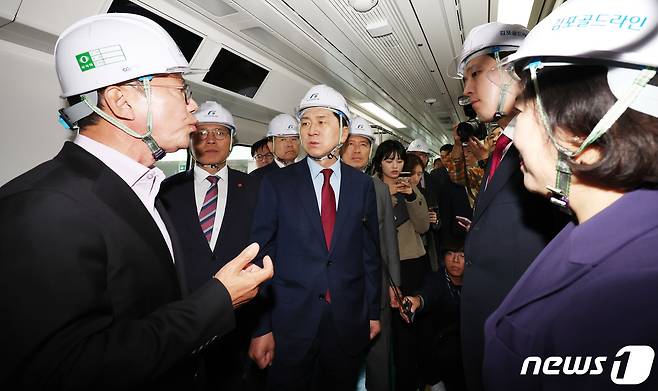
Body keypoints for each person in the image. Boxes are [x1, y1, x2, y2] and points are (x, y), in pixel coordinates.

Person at [0, 13, 273, 390]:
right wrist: (218, 301)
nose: (193, 106)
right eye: (181, 91)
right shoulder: (43, 208)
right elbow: (64, 370)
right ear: (122, 101)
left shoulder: (143, 191)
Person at [482, 0, 658, 389]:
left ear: (582, 137)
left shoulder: (627, 300)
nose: (513, 132)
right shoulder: (609, 233)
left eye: (523, 112)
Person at [452, 21, 569, 391]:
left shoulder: (557, 140)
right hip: (489, 325)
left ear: (514, 66)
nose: (467, 90)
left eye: (475, 73)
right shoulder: (502, 145)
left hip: (525, 334)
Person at [247, 85, 381, 391]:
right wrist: (262, 327)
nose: (311, 130)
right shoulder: (277, 184)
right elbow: (260, 257)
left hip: (347, 320)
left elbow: (369, 255)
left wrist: (372, 313)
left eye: (322, 121)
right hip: (290, 323)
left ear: (344, 131)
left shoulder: (362, 186)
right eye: (305, 123)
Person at [158, 101, 261, 390]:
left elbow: (266, 251)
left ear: (232, 141)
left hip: (240, 317)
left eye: (220, 133)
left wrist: (264, 327)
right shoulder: (167, 190)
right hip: (183, 316)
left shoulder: (256, 189)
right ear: (189, 140)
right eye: (202, 133)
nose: (211, 140)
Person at [341, 116, 401, 391]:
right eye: (350, 144)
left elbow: (389, 238)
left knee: (379, 356)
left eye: (363, 144)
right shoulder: (330, 184)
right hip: (341, 286)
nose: (356, 150)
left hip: (376, 284)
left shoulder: (379, 188)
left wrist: (394, 286)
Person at [373, 140, 430, 391]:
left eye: (399, 160)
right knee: (389, 332)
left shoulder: (411, 188)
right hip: (384, 266)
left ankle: (412, 380)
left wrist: (409, 195)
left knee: (410, 331)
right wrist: (391, 198)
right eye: (389, 160)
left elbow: (423, 226)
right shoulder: (371, 188)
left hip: (410, 263)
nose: (395, 166)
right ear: (379, 163)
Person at [400, 240, 467, 391]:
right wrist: (417, 301)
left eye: (462, 255)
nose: (455, 260)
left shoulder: (475, 282)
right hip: (439, 353)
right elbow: (428, 292)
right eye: (450, 254)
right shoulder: (437, 278)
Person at [249, 113, 300, 179]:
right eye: (283, 139)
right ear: (270, 145)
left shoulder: (308, 172)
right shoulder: (256, 177)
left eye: (294, 139)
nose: (290, 144)